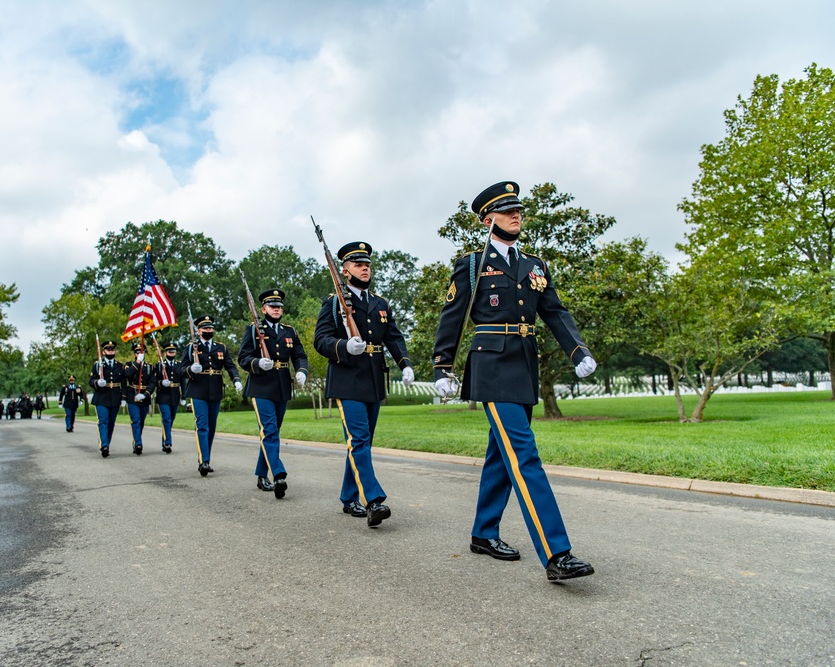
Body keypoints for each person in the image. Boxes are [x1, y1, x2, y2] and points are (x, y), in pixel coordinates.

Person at [432, 180, 598, 582]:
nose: (516, 215)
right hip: (491, 367)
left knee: (499, 457)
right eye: (507, 211)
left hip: (524, 365)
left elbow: (555, 312)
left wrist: (579, 351)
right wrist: (441, 366)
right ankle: (557, 553)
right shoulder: (473, 263)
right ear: (488, 220)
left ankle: (483, 534)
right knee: (524, 456)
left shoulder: (535, 264)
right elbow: (452, 316)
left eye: (518, 210)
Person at [314, 241, 414, 527]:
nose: (365, 268)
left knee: (362, 442)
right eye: (358, 264)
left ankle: (348, 496)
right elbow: (320, 340)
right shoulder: (334, 303)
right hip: (347, 380)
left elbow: (393, 336)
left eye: (367, 264)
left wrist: (405, 363)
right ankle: (373, 500)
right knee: (359, 440)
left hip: (373, 380)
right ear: (345, 271)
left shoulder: (380, 303)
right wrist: (344, 346)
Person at [237, 289, 309, 499]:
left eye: (279, 306)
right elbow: (243, 357)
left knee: (272, 432)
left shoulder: (290, 332)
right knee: (269, 430)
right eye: (272, 306)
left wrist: (302, 370)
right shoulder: (253, 330)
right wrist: (257, 362)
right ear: (263, 309)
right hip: (260, 387)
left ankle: (261, 475)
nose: (276, 309)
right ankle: (278, 475)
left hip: (281, 386)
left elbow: (299, 355)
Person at [179, 315, 241, 476]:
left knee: (212, 427)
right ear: (198, 331)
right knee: (202, 425)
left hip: (215, 389)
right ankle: (203, 461)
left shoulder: (221, 348)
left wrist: (236, 380)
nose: (209, 330)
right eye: (205, 328)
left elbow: (230, 365)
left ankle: (206, 458)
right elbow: (181, 370)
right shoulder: (191, 347)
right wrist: (191, 369)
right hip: (197, 390)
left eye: (211, 328)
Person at [89, 339, 125, 458]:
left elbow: (124, 383)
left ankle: (107, 443)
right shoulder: (98, 365)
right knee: (103, 421)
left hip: (114, 396)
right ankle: (104, 445)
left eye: (112, 349)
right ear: (103, 352)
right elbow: (90, 380)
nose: (110, 351)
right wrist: (97, 382)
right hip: (101, 397)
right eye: (108, 349)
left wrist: (123, 397)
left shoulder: (120, 366)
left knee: (111, 423)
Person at [123, 341, 156, 455]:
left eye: (141, 352)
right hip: (132, 395)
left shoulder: (150, 367)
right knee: (136, 420)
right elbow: (127, 375)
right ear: (134, 354)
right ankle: (138, 444)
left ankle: (136, 440)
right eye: (137, 352)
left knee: (141, 421)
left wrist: (146, 394)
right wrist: (137, 363)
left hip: (144, 396)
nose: (139, 354)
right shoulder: (129, 364)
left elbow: (153, 383)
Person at [153, 341, 185, 453]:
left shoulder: (179, 365)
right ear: (165, 352)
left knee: (171, 420)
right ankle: (168, 443)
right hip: (163, 396)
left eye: (173, 351)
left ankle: (165, 439)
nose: (172, 353)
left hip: (175, 395)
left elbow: (183, 382)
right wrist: (161, 382)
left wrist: (183, 396)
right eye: (169, 352)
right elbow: (154, 381)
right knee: (166, 418)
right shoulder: (159, 365)